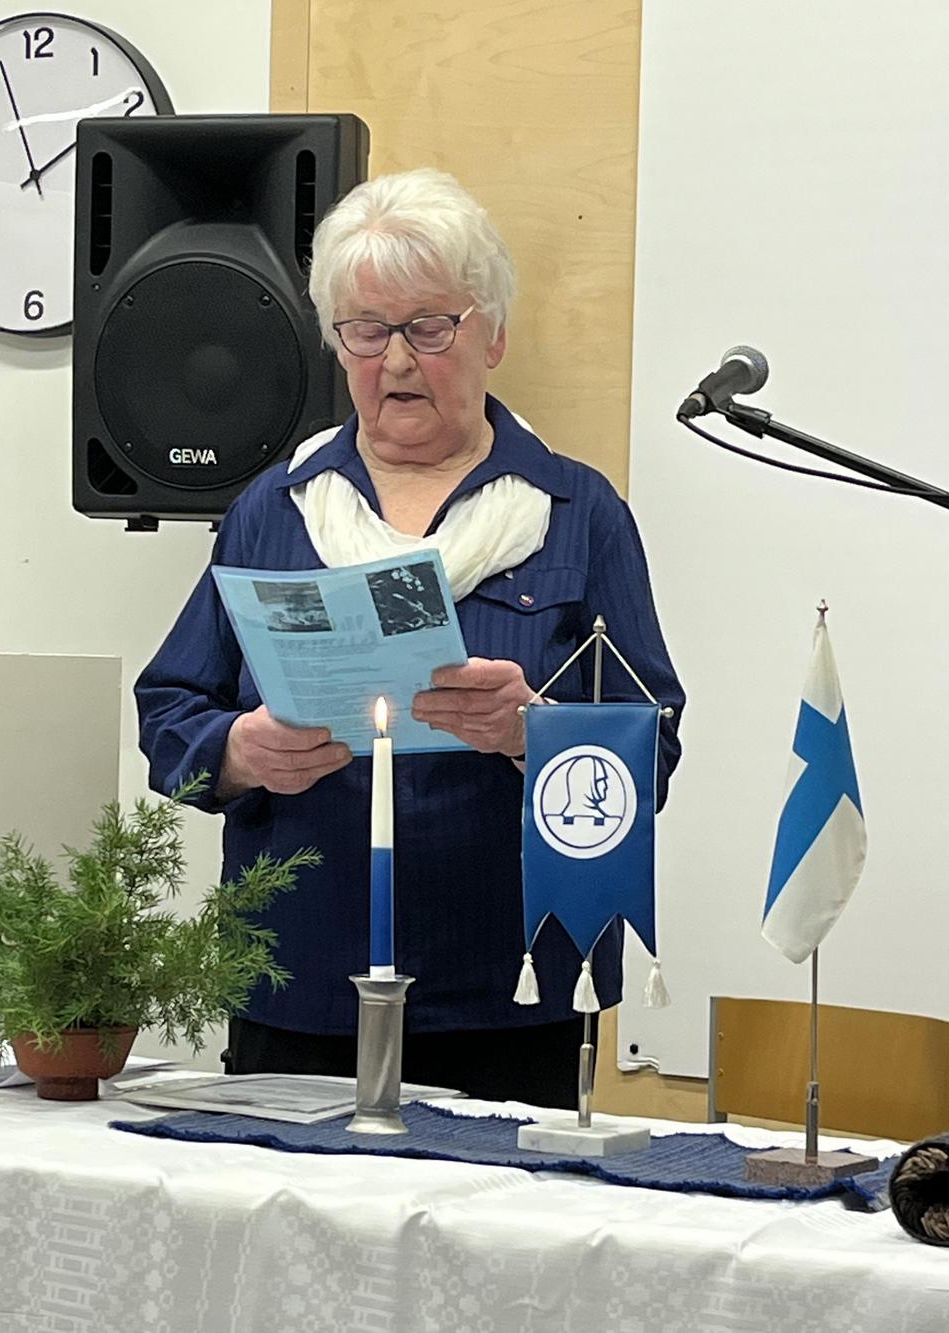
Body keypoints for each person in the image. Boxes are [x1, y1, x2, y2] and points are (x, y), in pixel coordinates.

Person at [135, 168, 685, 1109]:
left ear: (492, 335)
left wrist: (535, 732)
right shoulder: (275, 510)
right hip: (299, 982)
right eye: (366, 330)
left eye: (430, 328)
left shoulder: (578, 513)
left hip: (511, 995)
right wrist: (240, 751)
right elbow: (170, 713)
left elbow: (653, 753)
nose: (395, 360)